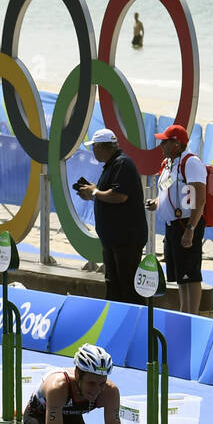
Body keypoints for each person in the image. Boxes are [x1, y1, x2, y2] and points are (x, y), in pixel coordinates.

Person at [76, 128, 147, 304]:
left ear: (101, 147)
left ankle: (135, 324)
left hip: (125, 239)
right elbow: (109, 194)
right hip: (114, 239)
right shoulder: (114, 164)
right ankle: (117, 322)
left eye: (94, 147)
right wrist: (94, 191)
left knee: (128, 286)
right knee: (114, 285)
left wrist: (94, 193)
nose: (92, 151)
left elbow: (119, 196)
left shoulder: (123, 164)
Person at [146, 124, 205, 315]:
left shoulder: (191, 162)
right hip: (172, 225)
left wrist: (190, 229)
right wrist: (156, 202)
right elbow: (167, 192)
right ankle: (184, 312)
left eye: (165, 142)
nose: (161, 145)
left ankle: (191, 315)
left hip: (186, 224)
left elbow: (200, 198)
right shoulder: (169, 164)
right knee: (181, 275)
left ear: (177, 144)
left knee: (191, 275)